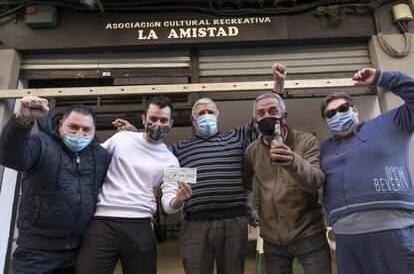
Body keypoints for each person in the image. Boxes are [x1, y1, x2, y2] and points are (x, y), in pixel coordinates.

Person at [114, 64, 286, 274]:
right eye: (201, 113)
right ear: (193, 120)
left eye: (210, 112)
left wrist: (278, 86)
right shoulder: (177, 149)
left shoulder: (236, 137)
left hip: (233, 221)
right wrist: (136, 134)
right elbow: (152, 154)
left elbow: (266, 116)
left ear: (217, 115)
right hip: (195, 223)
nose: (206, 115)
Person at [75, 96, 192, 274]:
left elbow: (168, 206)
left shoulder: (170, 160)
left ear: (171, 123)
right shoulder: (121, 139)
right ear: (143, 119)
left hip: (141, 226)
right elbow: (92, 160)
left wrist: (179, 200)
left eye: (163, 120)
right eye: (153, 119)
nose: (158, 124)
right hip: (103, 223)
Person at [0, 96, 110, 274]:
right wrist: (22, 120)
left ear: (94, 130)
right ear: (61, 124)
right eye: (73, 127)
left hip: (78, 252)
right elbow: (10, 158)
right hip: (36, 253)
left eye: (86, 129)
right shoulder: (41, 143)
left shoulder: (100, 155)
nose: (79, 134)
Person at [320, 68, 414, 274]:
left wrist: (382, 78)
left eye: (343, 108)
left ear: (356, 110)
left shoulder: (388, 124)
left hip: (394, 233)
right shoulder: (323, 149)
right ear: (327, 122)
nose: (338, 114)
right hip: (346, 240)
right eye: (331, 113)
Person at [243, 67, 331, 274]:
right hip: (273, 240)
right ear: (255, 120)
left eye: (273, 111)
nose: (267, 116)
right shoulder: (252, 151)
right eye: (261, 113)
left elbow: (316, 180)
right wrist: (249, 209)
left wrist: (293, 160)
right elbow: (246, 183)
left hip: (309, 234)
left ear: (284, 116)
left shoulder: (306, 141)